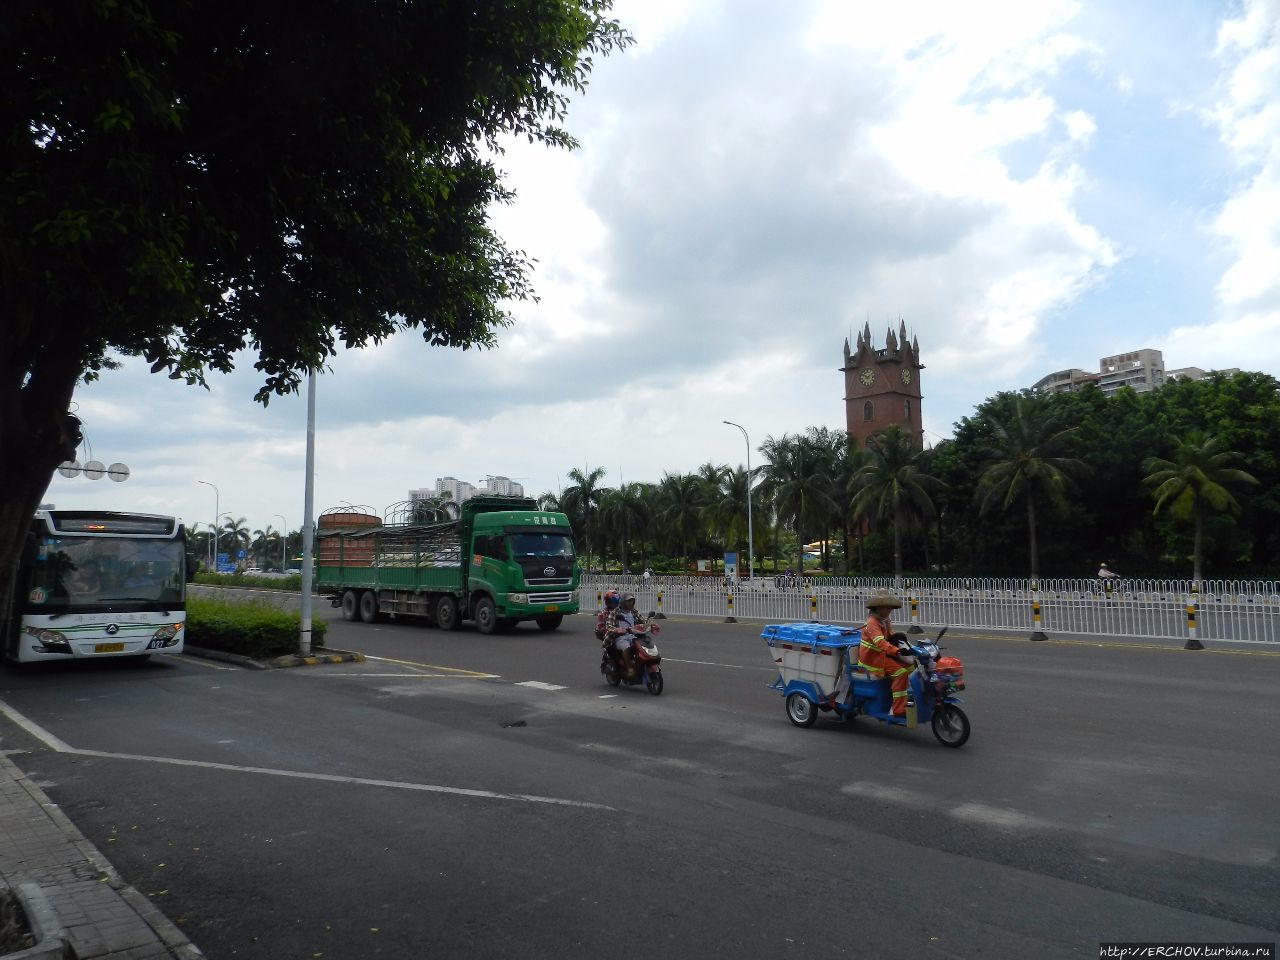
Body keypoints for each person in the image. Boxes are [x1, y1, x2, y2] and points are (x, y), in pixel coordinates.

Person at [855, 590, 915, 720]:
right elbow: (880, 642)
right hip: (872, 661)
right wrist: (896, 651)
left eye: (890, 607)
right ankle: (898, 709)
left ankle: (908, 696)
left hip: (883, 656)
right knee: (901, 673)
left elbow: (891, 637)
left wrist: (907, 647)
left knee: (912, 667)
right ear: (878, 607)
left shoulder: (885, 620)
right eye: (886, 607)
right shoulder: (872, 622)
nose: (889, 610)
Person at [605, 592, 645, 675]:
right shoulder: (615, 612)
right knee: (626, 647)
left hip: (633, 636)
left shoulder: (634, 611)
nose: (631, 603)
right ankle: (629, 667)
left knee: (643, 647)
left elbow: (643, 621)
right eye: (628, 601)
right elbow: (609, 626)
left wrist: (650, 625)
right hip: (621, 638)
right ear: (623, 602)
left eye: (632, 601)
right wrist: (618, 630)